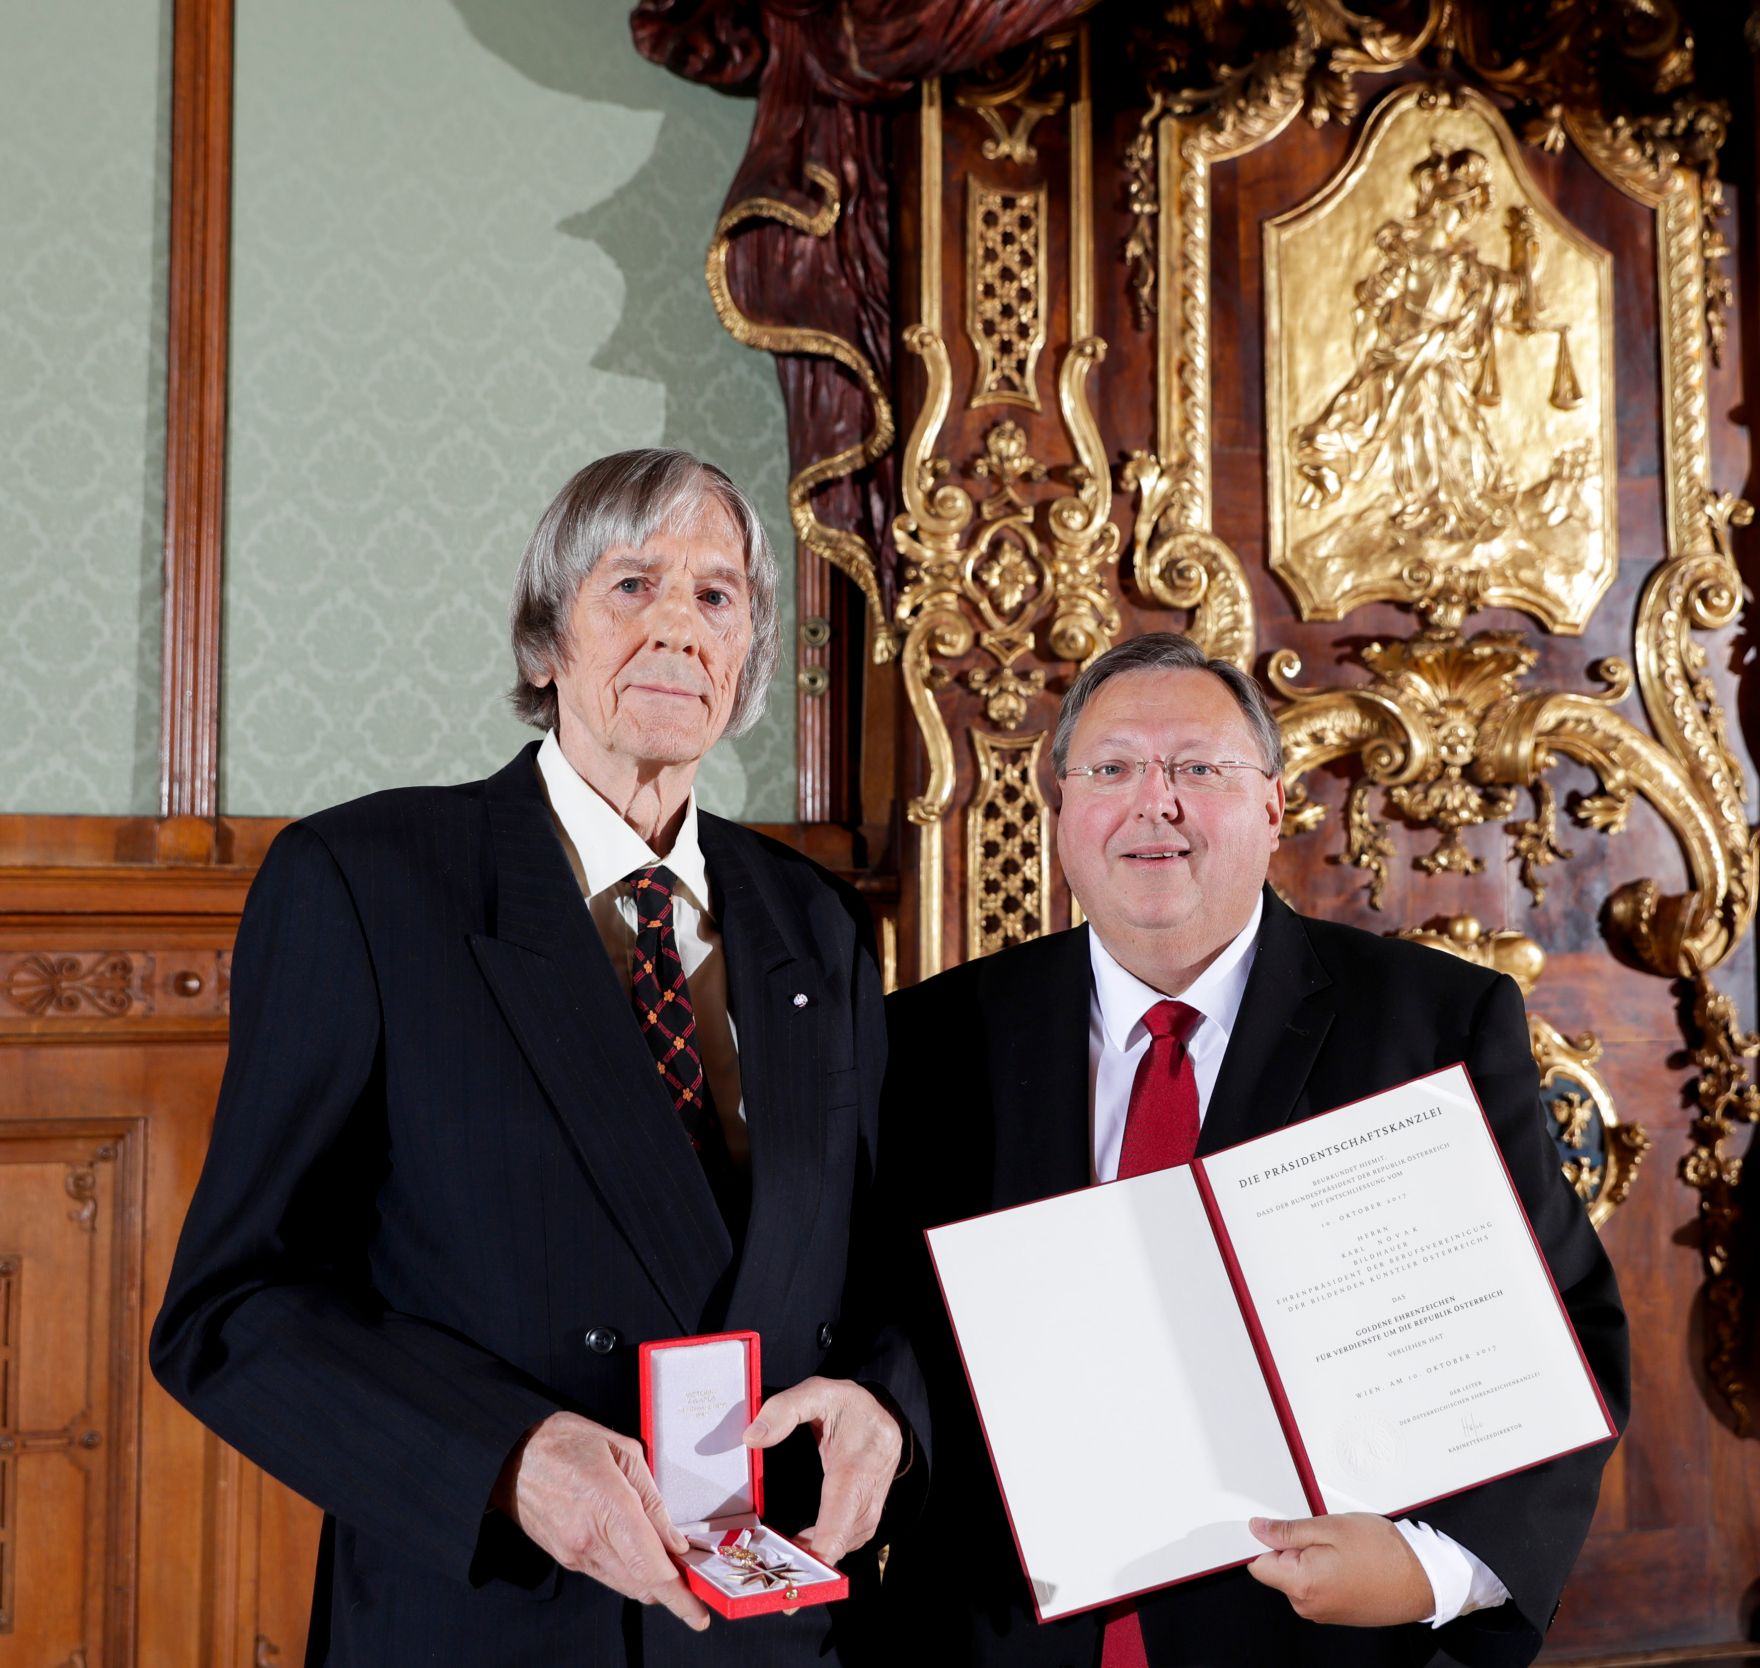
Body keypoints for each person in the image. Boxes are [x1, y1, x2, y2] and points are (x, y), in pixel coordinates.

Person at [151, 448, 924, 1667]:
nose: (676, 625)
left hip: (765, 1633)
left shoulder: (814, 922)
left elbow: (877, 1264)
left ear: (748, 663)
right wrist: (504, 1462)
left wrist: (889, 1407)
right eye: (630, 585)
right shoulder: (366, 883)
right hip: (495, 1618)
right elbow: (234, 1311)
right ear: (542, 641)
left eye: (715, 597)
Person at [877, 632, 1627, 1668]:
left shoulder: (1432, 1026)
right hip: (986, 1639)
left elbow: (1561, 1334)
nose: (1154, 801)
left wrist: (1430, 1570)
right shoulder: (925, 1040)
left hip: (1309, 1645)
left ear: (1273, 805)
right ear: (1059, 810)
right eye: (1110, 769)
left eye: (1196, 767)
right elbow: (879, 1329)